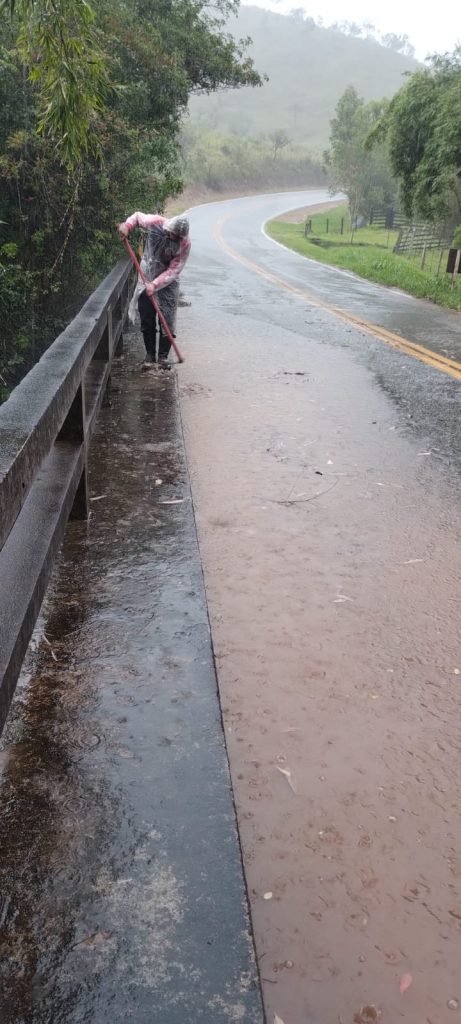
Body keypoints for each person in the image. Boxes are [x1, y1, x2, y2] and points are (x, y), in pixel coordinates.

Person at [117, 212, 191, 367]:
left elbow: (174, 270)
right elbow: (137, 217)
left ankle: (163, 358)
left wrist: (155, 285)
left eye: (177, 237)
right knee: (147, 317)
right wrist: (127, 226)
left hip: (168, 283)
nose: (173, 238)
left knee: (167, 320)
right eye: (172, 234)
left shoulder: (184, 244)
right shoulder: (156, 222)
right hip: (147, 276)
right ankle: (150, 355)